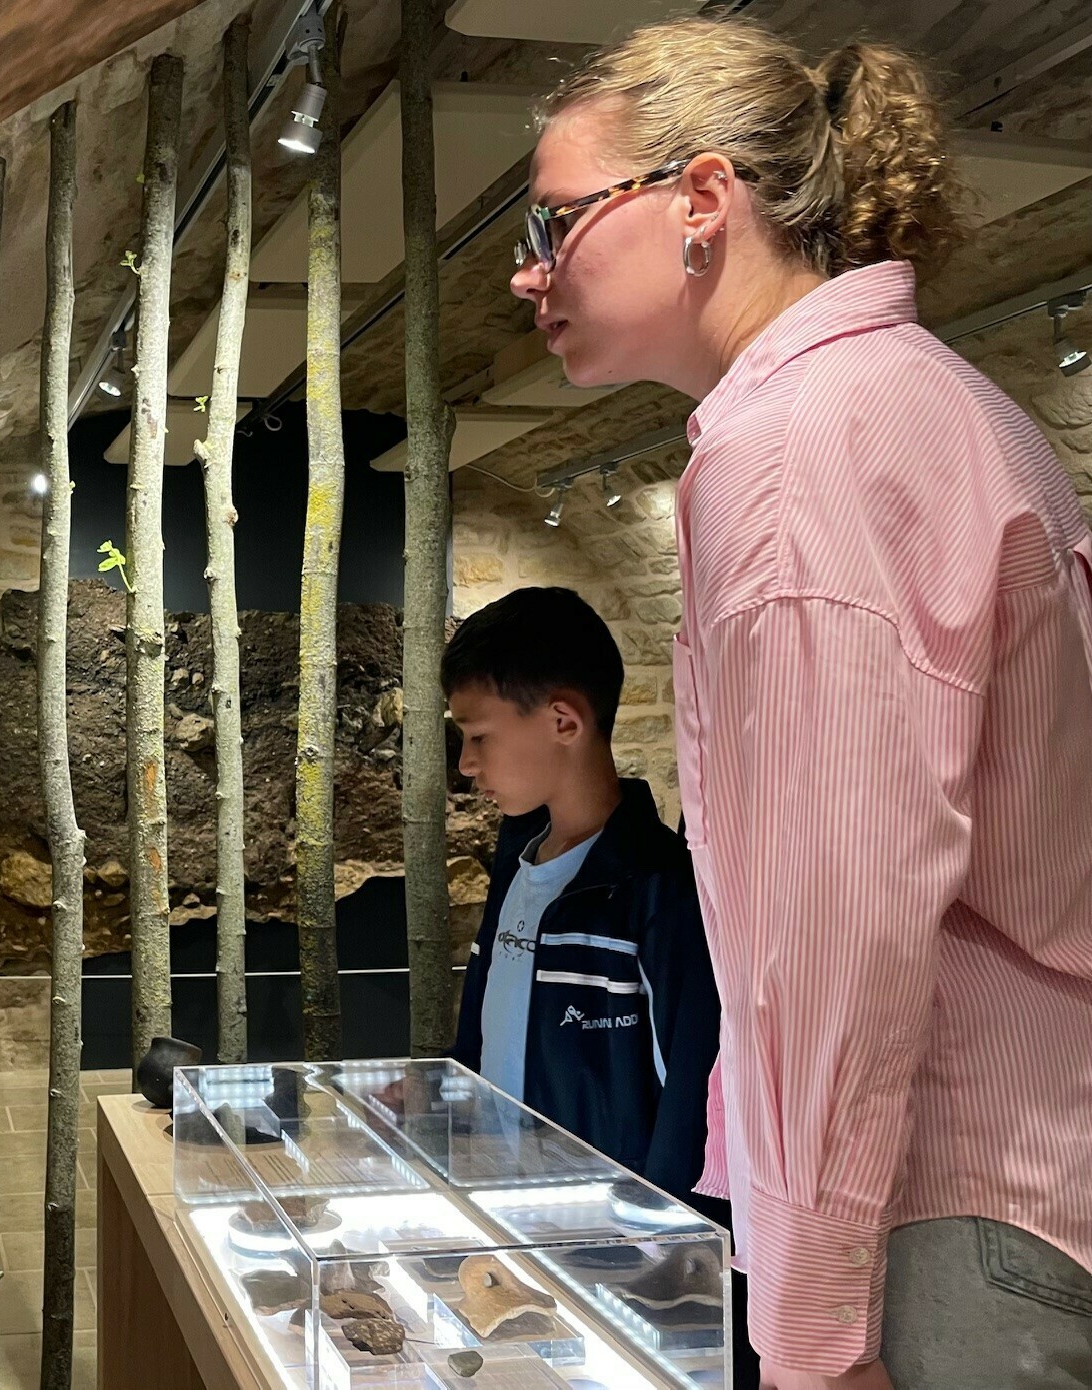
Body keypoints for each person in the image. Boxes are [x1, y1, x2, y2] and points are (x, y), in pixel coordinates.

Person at [510, 17, 1092, 1390]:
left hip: (943, 1211)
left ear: (701, 201)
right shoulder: (937, 402)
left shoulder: (797, 452)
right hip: (1008, 1173)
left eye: (554, 219)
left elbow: (836, 927)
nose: (528, 270)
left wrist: (815, 1324)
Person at [444, 587, 719, 1201]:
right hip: (509, 1215)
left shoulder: (662, 889)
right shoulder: (517, 864)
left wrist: (653, 1243)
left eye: (479, 735)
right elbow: (486, 1037)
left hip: (613, 1250)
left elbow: (692, 1099)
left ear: (564, 721)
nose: (465, 763)